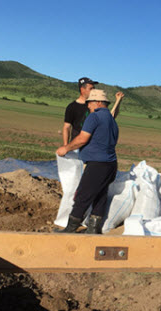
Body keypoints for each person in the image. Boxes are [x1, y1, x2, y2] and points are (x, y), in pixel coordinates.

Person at [55, 89, 120, 234]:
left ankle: (70, 229)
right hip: (111, 165)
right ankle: (93, 230)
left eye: (89, 103)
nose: (88, 107)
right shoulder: (110, 119)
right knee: (100, 196)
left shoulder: (94, 117)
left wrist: (66, 148)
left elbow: (83, 138)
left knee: (82, 196)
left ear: (97, 102)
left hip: (97, 165)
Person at [62, 77, 98, 147]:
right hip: (76, 145)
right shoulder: (72, 107)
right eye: (91, 88)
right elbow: (67, 127)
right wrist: (66, 146)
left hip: (92, 146)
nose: (93, 91)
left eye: (94, 88)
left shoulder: (96, 105)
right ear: (82, 89)